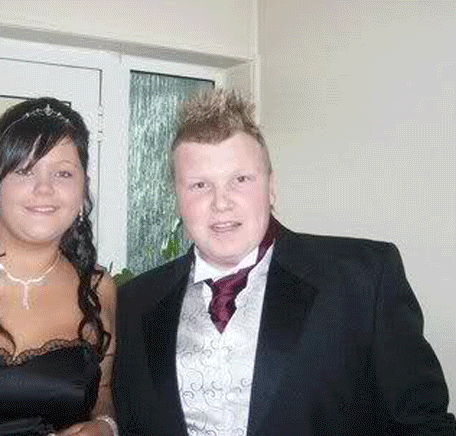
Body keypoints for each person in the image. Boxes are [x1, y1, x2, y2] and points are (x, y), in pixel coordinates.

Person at [113, 89, 456, 435]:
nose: (221, 203)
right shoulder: (132, 302)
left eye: (241, 179)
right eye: (199, 185)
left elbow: (424, 425)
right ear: (176, 197)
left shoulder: (364, 279)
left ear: (271, 186)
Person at [0, 97, 117, 436]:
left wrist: (105, 425)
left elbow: (103, 390)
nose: (44, 188)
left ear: (83, 189)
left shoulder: (97, 288)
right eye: (24, 170)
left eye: (63, 173)